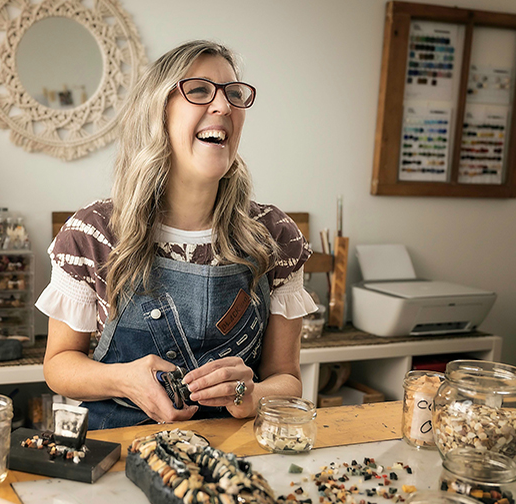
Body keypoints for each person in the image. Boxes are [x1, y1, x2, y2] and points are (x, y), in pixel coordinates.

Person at [35, 40, 317, 430]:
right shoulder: (92, 233)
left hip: (234, 459)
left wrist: (249, 395)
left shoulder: (275, 236)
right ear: (158, 114)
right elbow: (58, 365)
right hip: (116, 457)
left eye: (233, 93)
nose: (223, 106)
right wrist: (123, 380)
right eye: (199, 90)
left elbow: (287, 378)